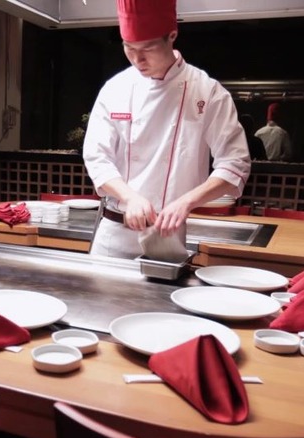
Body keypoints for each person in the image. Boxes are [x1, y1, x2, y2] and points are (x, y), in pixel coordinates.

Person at [82, 0, 251, 259]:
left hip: (167, 237)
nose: (137, 59)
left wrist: (187, 202)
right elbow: (97, 157)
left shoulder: (207, 91)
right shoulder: (115, 89)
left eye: (147, 48)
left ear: (172, 36)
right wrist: (129, 198)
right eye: (129, 48)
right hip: (113, 236)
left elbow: (235, 163)